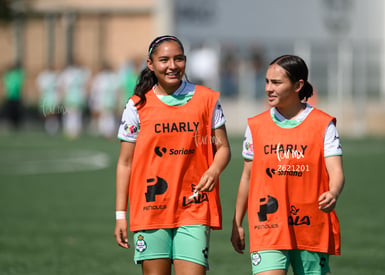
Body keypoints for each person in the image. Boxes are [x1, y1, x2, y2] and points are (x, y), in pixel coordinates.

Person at [114, 35, 231, 275]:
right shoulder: (136, 105)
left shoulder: (207, 100)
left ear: (185, 61)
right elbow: (125, 163)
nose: (172, 66)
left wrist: (213, 170)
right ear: (150, 64)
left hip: (194, 206)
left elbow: (224, 148)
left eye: (178, 59)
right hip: (151, 207)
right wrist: (120, 215)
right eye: (164, 60)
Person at [231, 55, 344, 275]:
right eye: (266, 82)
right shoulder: (256, 126)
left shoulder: (323, 124)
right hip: (267, 224)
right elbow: (247, 177)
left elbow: (336, 171)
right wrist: (237, 222)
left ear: (298, 85)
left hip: (310, 225)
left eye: (276, 83)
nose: (268, 89)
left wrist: (334, 192)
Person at [2, 61, 25, 130]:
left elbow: (22, 76)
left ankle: (17, 124)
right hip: (9, 96)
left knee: (17, 112)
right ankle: (12, 124)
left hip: (17, 97)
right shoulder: (8, 75)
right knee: (10, 112)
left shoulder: (18, 74)